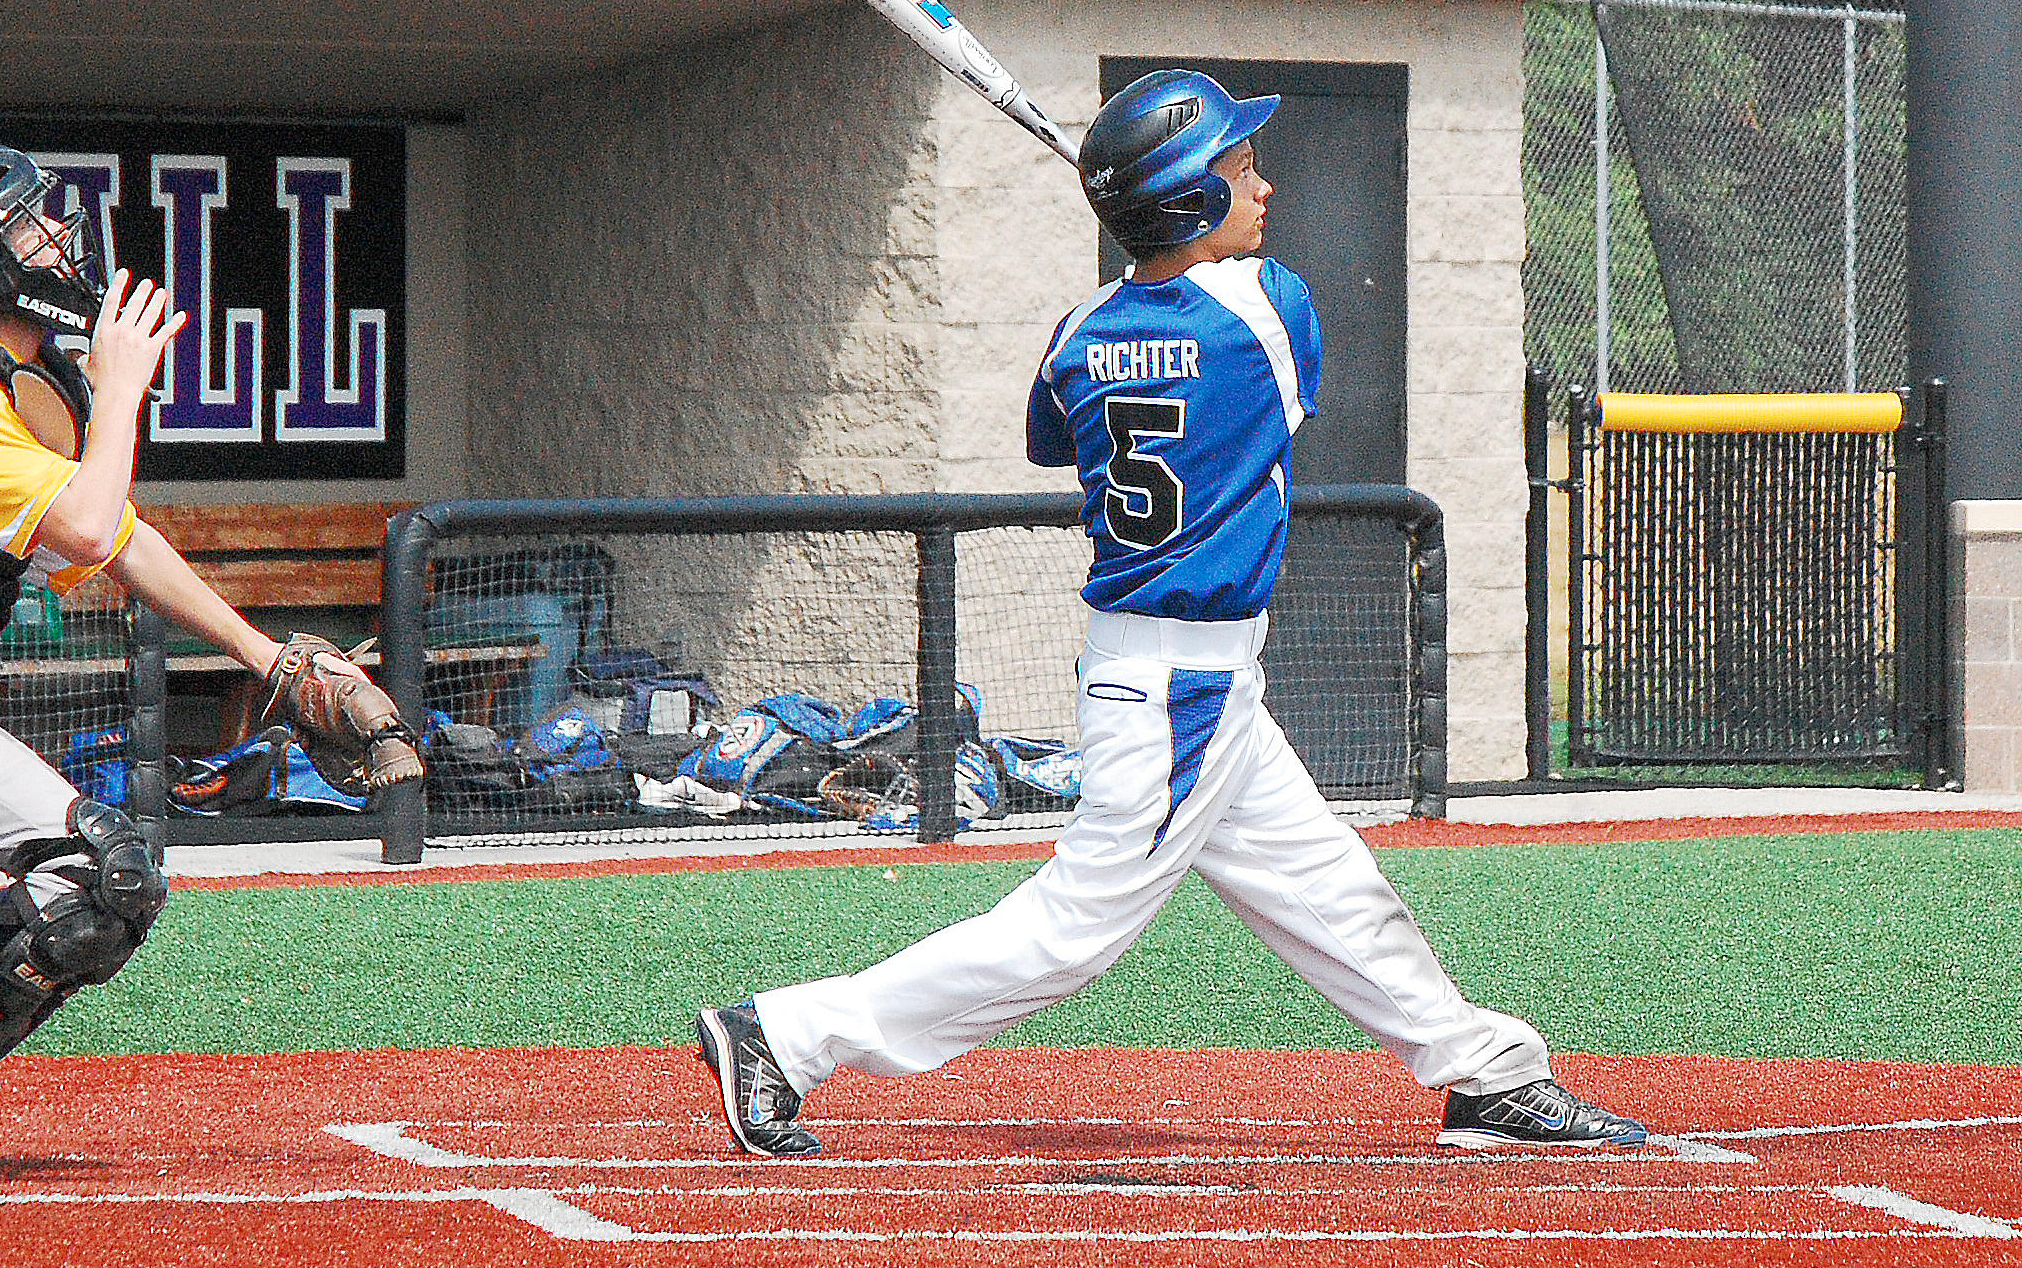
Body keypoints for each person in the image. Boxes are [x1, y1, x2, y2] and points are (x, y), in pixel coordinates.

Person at [694, 72, 1647, 1158]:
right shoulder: (1267, 309)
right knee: (1075, 927)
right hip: (1174, 686)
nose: (1265, 186)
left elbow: (1053, 434)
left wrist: (1142, 275)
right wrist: (1162, 274)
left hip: (1178, 671)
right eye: (1239, 170)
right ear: (1186, 202)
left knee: (1325, 880)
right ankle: (787, 1035)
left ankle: (1486, 1074)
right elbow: (1216, 352)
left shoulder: (1079, 332)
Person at [0, 142, 421, 1189]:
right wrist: (122, 396)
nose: (54, 239)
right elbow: (86, 519)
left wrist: (268, 661)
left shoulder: (0, 387)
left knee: (107, 879)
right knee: (98, 874)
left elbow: (120, 541)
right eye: (25, 227)